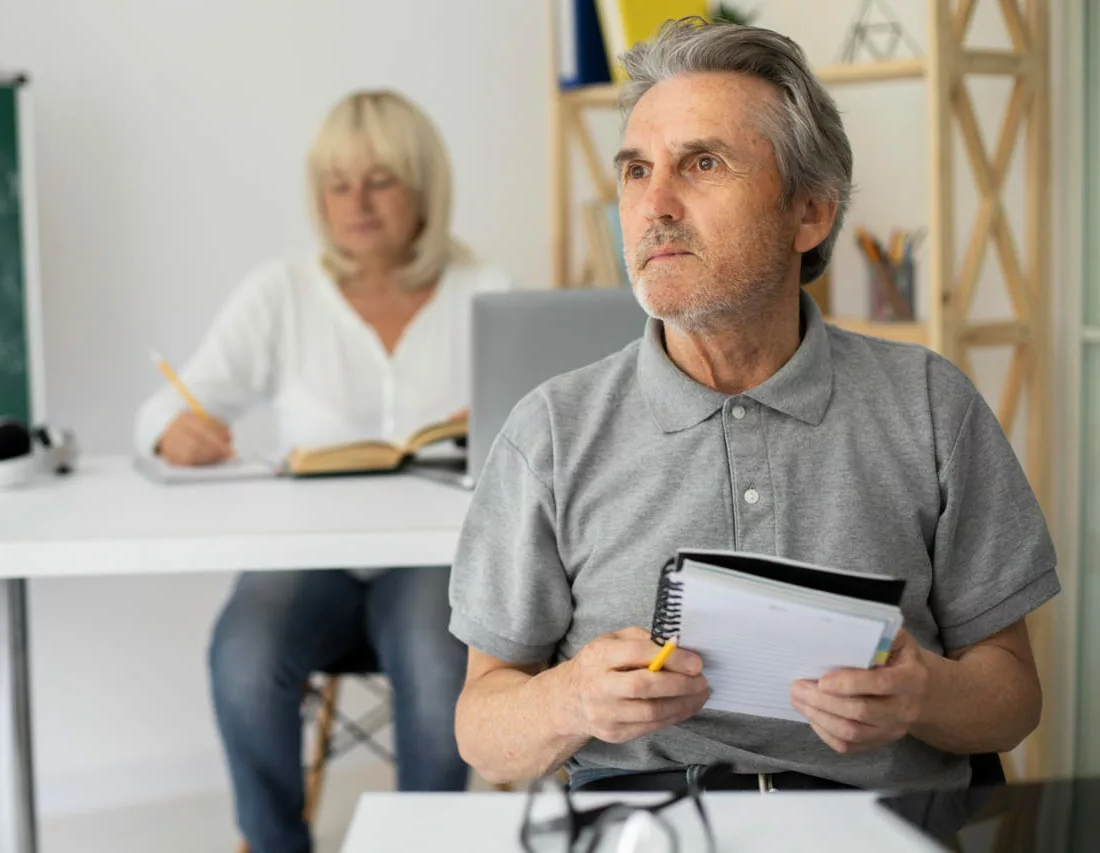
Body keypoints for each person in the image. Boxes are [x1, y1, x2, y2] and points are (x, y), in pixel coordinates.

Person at [448, 18, 1059, 795]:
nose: (655, 204)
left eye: (703, 163)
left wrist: (923, 694)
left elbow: (1013, 700)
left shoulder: (933, 406)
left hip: (880, 823)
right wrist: (571, 699)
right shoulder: (550, 431)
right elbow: (483, 732)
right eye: (637, 171)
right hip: (650, 827)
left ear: (810, 212)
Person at [134, 90, 511, 853]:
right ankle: (275, 843)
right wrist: (178, 433)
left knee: (442, 662)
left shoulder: (486, 288)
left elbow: (539, 432)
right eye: (338, 183)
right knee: (243, 656)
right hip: (306, 559)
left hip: (432, 561)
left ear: (423, 187)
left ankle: (425, 843)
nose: (357, 202)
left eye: (381, 179)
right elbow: (156, 419)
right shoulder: (282, 290)